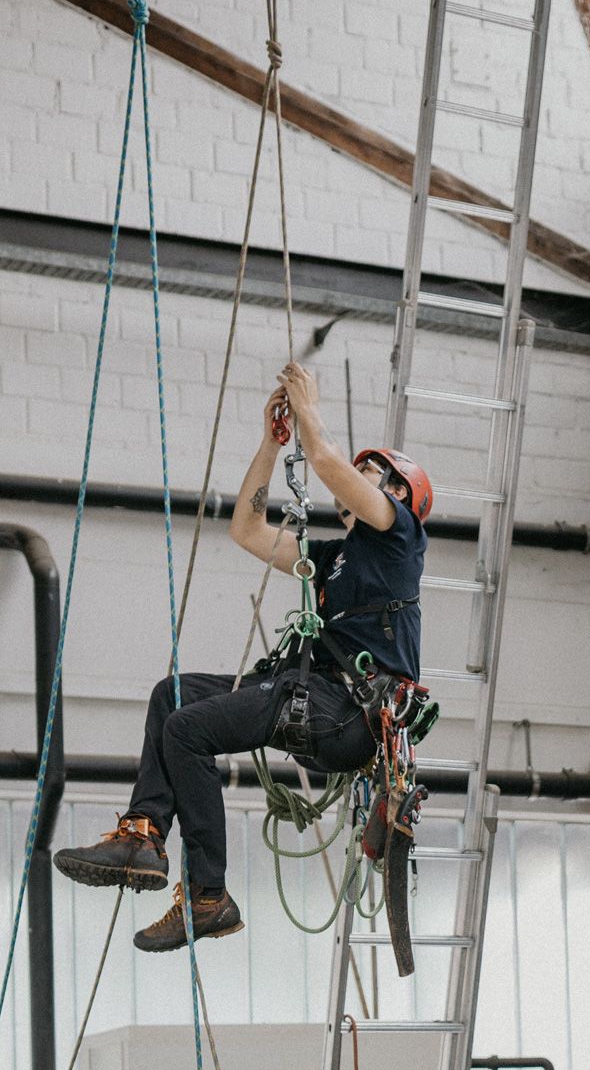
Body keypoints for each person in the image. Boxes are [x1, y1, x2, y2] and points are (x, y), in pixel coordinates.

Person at [53, 359, 431, 953]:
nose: (355, 482)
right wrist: (270, 443)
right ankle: (145, 834)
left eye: (373, 476)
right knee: (172, 695)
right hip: (313, 695)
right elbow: (248, 530)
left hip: (345, 712)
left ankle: (208, 895)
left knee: (185, 733)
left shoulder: (400, 536)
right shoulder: (335, 559)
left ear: (403, 494)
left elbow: (328, 463)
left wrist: (308, 408)